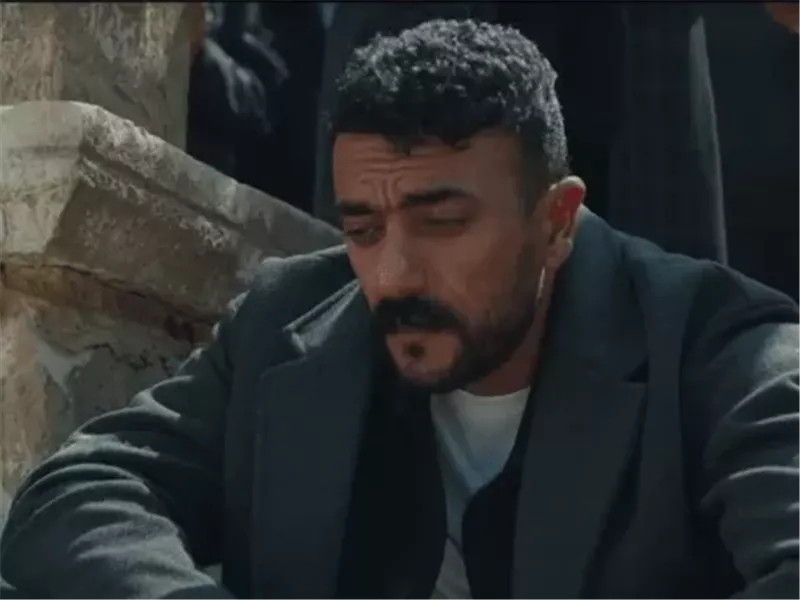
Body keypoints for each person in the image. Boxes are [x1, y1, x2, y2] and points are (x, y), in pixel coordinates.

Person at [1, 19, 799, 600]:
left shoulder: (718, 345)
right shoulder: (287, 321)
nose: (393, 273)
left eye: (442, 223)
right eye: (363, 228)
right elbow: (78, 493)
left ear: (557, 221)